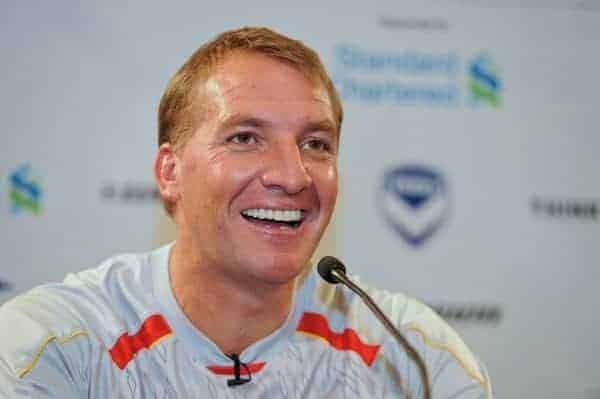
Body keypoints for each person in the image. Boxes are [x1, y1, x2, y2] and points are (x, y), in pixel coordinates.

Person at [0, 27, 493, 398]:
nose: (293, 175)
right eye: (244, 138)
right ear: (169, 172)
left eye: (315, 144)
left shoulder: (412, 357)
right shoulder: (55, 345)